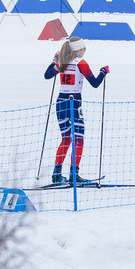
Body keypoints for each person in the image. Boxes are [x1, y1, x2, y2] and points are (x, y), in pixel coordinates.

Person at [43, 37, 109, 186]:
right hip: (74, 103)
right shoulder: (81, 63)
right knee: (78, 138)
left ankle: (57, 174)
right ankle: (74, 174)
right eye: (84, 48)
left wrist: (54, 61)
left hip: (60, 103)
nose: (85, 51)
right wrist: (103, 72)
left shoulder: (62, 62)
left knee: (66, 138)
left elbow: (47, 75)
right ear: (79, 49)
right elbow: (95, 83)